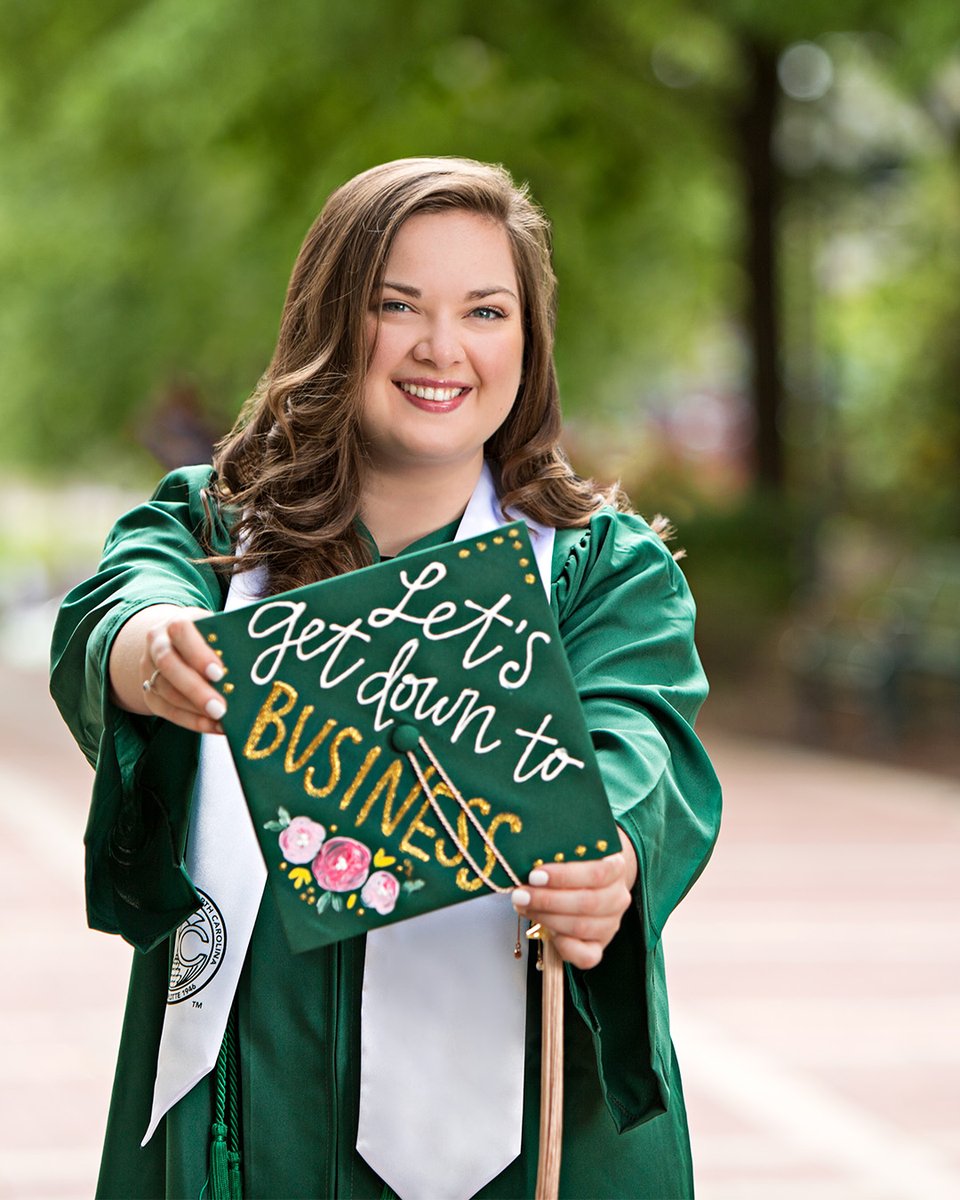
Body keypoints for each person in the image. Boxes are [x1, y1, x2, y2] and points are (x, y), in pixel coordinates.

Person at [51, 156, 721, 1199]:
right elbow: (123, 608)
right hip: (254, 1084)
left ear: (527, 341)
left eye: (486, 311)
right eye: (395, 304)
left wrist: (607, 861)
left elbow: (637, 744)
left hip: (523, 1121)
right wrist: (159, 650)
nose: (441, 348)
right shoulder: (218, 534)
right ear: (330, 320)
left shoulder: (598, 568)